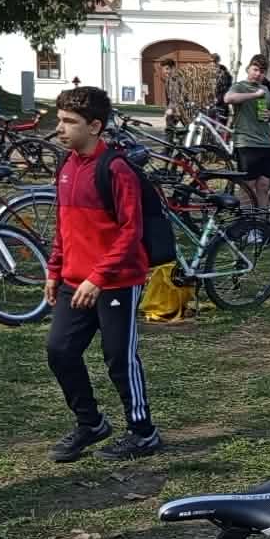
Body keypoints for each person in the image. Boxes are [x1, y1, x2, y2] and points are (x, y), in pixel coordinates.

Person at [44, 87, 161, 461]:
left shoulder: (116, 169)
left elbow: (131, 231)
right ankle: (90, 423)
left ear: (95, 126)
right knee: (60, 351)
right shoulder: (66, 166)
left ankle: (143, 432)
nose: (60, 129)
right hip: (73, 281)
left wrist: (98, 277)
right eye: (59, 120)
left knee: (118, 358)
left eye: (69, 122)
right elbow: (64, 226)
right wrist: (54, 270)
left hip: (116, 282)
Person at [225, 55, 270, 207]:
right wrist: (254, 95)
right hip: (247, 143)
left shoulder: (265, 89)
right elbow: (228, 99)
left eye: (261, 71)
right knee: (248, 187)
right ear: (248, 69)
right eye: (255, 70)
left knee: (264, 186)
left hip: (266, 143)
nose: (257, 74)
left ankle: (262, 219)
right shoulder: (240, 86)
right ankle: (246, 219)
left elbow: (268, 112)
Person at [161, 57, 188, 139]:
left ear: (173, 68)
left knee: (189, 129)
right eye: (164, 69)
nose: (165, 71)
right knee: (169, 129)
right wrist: (167, 109)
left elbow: (183, 95)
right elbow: (169, 97)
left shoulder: (180, 78)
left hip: (184, 110)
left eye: (167, 69)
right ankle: (168, 146)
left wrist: (173, 109)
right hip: (174, 111)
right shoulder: (168, 80)